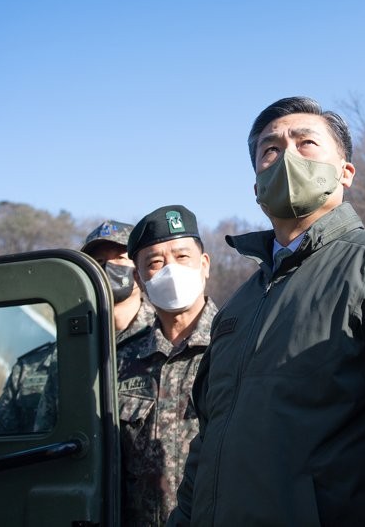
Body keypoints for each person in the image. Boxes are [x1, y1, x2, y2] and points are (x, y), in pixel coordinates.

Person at [170, 96, 365, 526]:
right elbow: (209, 443)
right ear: (255, 187)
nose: (286, 157)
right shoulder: (239, 305)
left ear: (346, 173)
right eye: (270, 150)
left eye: (306, 143)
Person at [0, 220, 150, 435]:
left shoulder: (165, 343)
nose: (108, 268)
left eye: (120, 258)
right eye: (99, 261)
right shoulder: (58, 359)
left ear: (140, 268)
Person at [117, 204, 218, 526]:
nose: (170, 270)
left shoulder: (242, 346)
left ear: (204, 264)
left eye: (182, 257)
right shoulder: (118, 361)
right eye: (155, 262)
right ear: (139, 278)